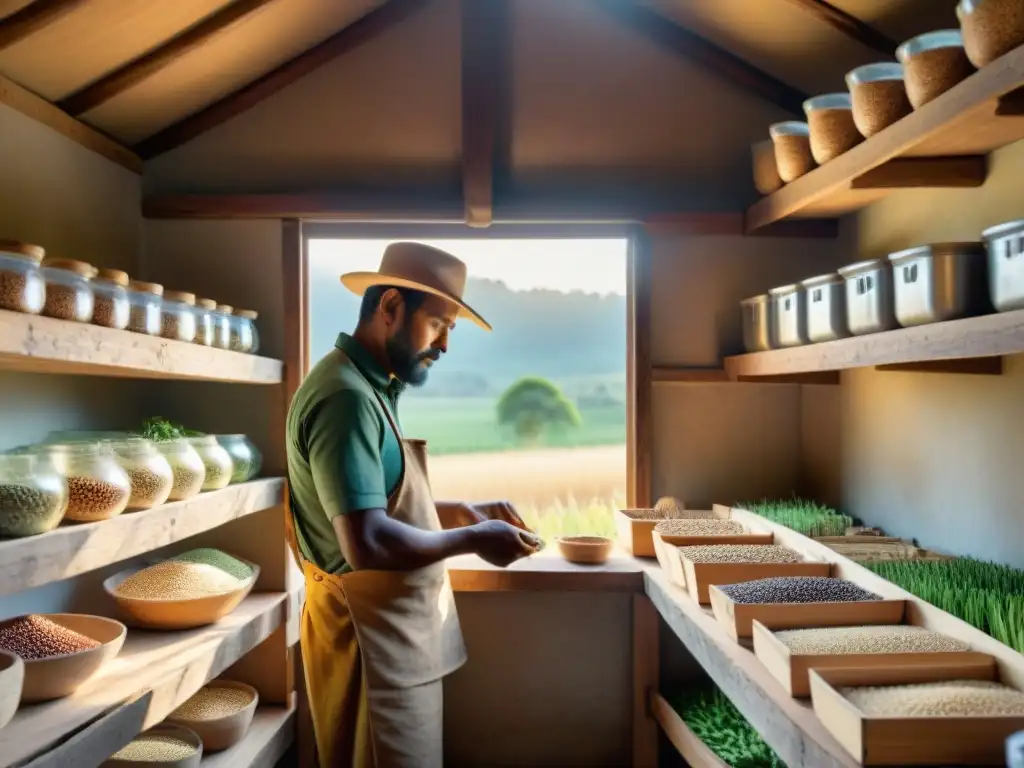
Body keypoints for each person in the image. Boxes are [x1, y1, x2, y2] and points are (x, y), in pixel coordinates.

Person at [284, 241, 542, 768]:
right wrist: (472, 540)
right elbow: (367, 540)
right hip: (371, 654)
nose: (445, 345)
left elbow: (380, 508)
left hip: (392, 650)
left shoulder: (367, 387)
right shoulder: (346, 399)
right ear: (391, 308)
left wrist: (465, 512)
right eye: (438, 324)